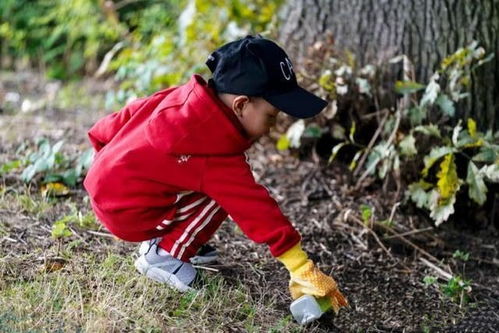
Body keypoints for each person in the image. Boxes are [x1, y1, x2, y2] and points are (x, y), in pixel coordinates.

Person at [83, 35, 348, 313]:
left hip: (105, 184)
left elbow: (122, 117)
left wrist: (101, 154)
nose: (272, 126)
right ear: (241, 105)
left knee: (196, 179)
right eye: (272, 115)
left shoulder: (181, 99)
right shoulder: (215, 155)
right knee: (225, 194)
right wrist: (300, 267)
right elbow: (255, 208)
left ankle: (180, 240)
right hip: (129, 213)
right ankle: (164, 255)